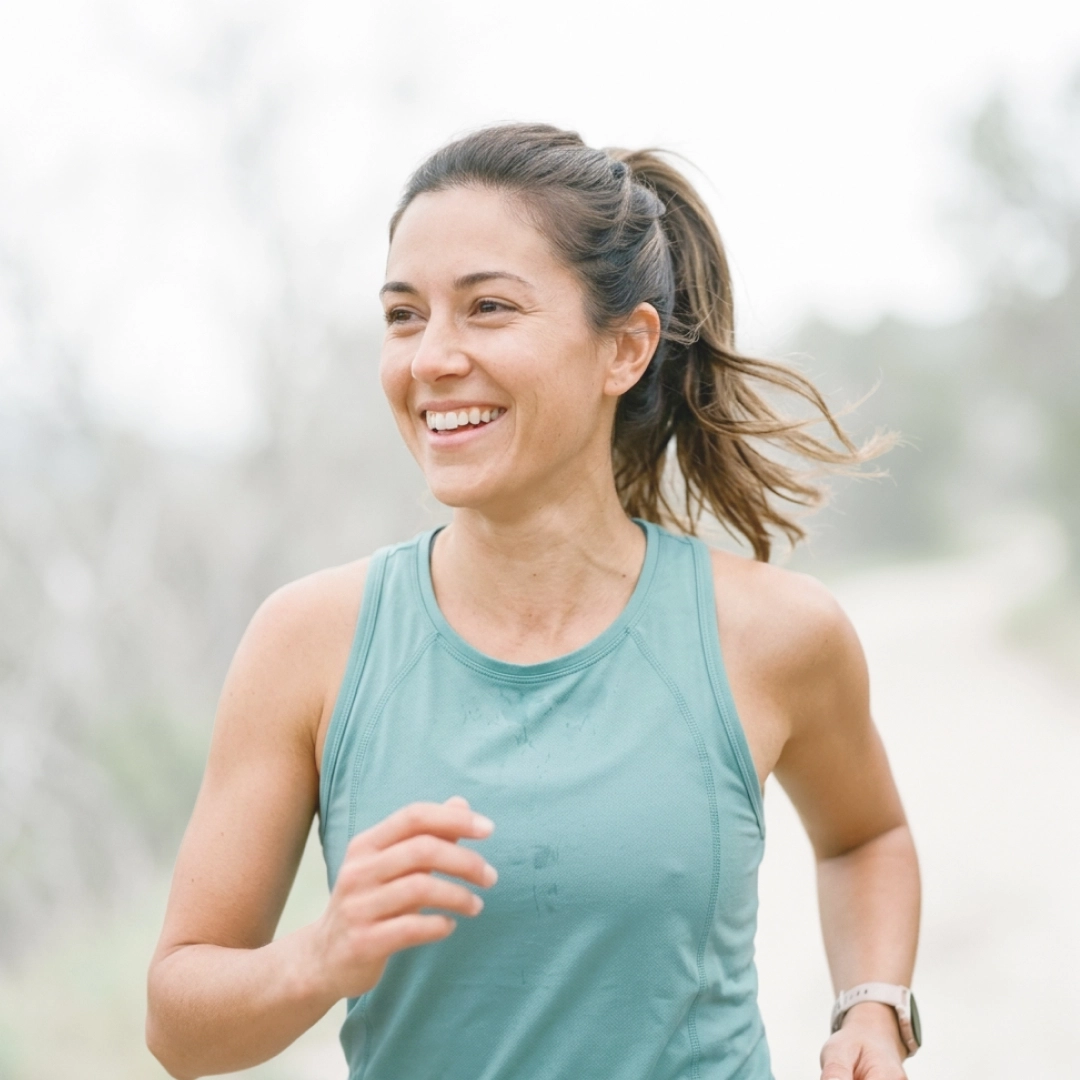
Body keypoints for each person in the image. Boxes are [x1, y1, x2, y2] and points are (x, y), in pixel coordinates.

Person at [146, 123, 921, 1080]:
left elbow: (864, 837)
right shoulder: (309, 642)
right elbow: (177, 1024)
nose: (430, 357)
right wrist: (318, 957)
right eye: (402, 314)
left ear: (625, 349)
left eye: (488, 308)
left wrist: (873, 1009)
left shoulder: (775, 636)